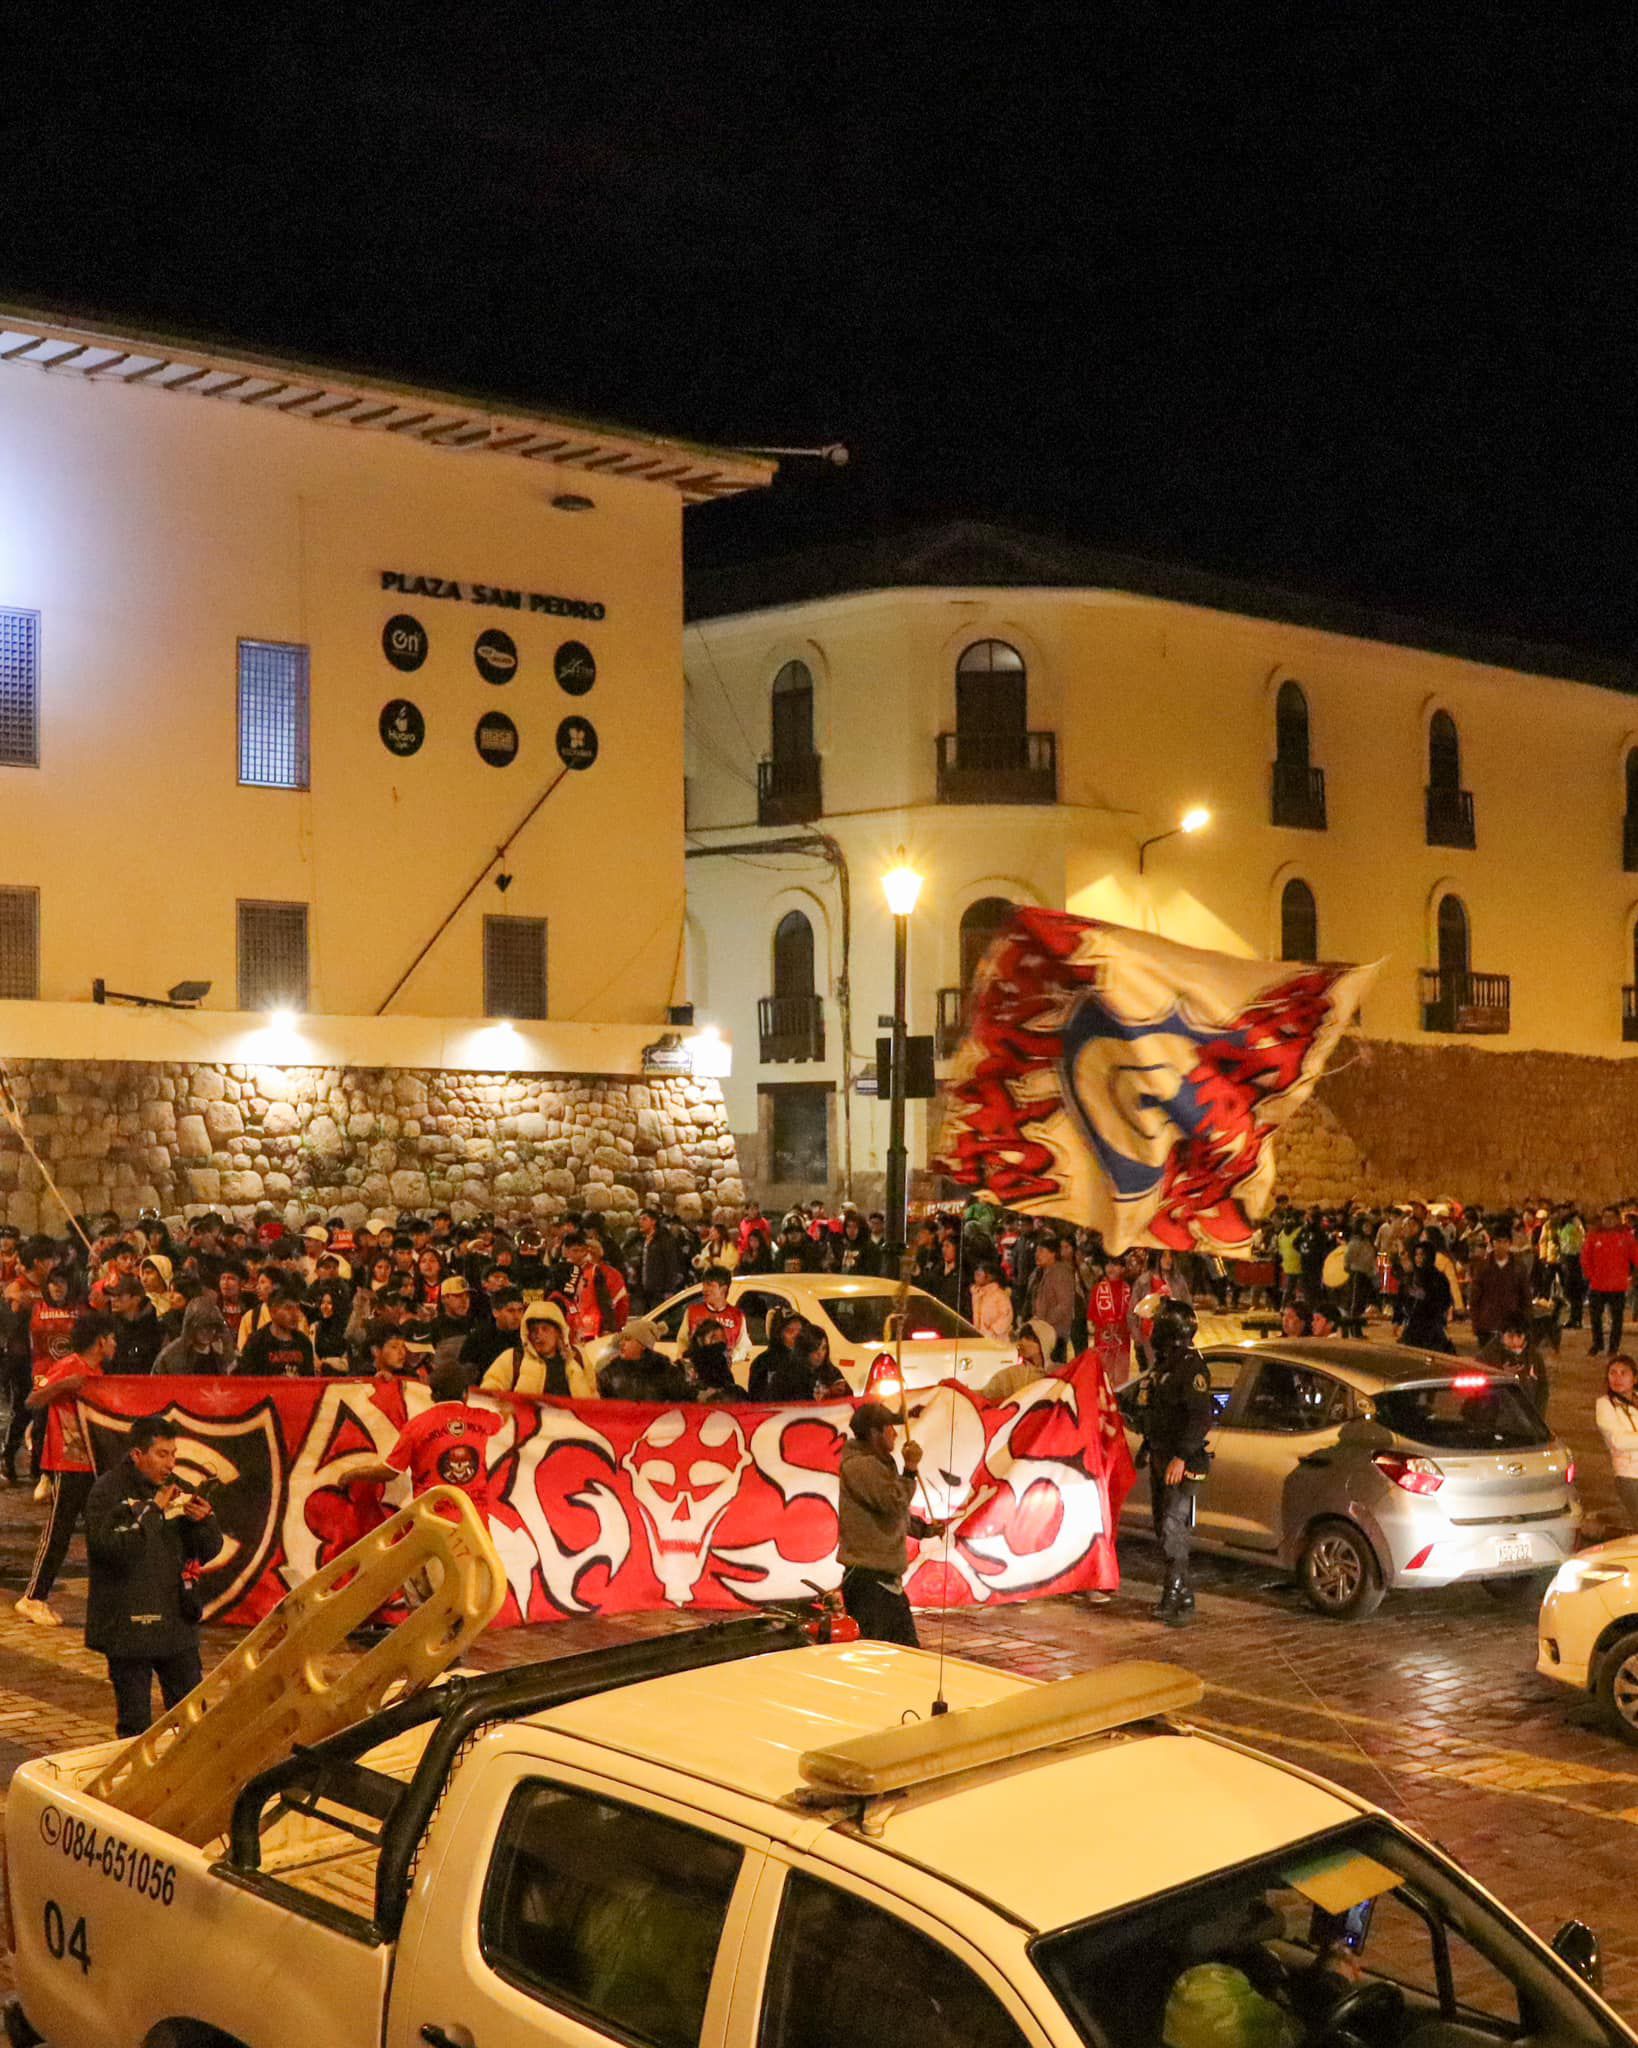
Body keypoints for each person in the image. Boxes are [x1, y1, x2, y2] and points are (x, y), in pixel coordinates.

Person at [83, 1414, 221, 1737]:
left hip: (175, 1624)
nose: (171, 1463)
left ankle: (192, 1782)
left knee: (193, 1719)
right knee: (135, 1727)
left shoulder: (179, 1490)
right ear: (136, 1455)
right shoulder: (107, 1491)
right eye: (162, 1454)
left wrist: (206, 1522)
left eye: (173, 1454)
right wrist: (152, 1511)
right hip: (128, 1628)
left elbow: (209, 1549)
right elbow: (110, 1548)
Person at [16, 1309, 118, 1626]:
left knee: (101, 1534)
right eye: (112, 1338)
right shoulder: (69, 1366)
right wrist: (64, 1386)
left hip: (93, 1465)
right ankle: (33, 1597)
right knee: (58, 1532)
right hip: (68, 1463)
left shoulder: (99, 1372)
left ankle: (108, 1602)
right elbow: (32, 1400)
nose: (115, 1344)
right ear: (101, 1341)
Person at [1131, 1298, 1211, 1628]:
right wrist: (1148, 1444)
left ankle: (1174, 1595)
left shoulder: (1192, 1368)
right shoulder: (1165, 1365)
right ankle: (1183, 1594)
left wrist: (1181, 1456)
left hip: (1181, 1461)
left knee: (1172, 1528)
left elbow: (1199, 1418)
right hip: (1161, 1455)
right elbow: (1154, 1410)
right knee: (1161, 1525)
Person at [837, 1401, 944, 1645]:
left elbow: (893, 1516)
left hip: (885, 1581)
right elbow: (893, 1502)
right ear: (875, 1433)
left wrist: (924, 1529)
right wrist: (910, 1469)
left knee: (905, 1651)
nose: (895, 1434)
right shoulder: (860, 1466)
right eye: (889, 1428)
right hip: (868, 1581)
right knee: (874, 1653)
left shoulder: (879, 1464)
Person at [483, 1301, 594, 1399]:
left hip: (573, 1422)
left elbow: (594, 1399)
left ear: (558, 1332)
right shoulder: (512, 1359)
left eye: (545, 1329)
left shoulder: (578, 1357)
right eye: (534, 1330)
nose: (538, 1335)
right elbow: (488, 1394)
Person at [1583, 1207, 1637, 1357]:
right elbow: (1586, 1257)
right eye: (1605, 1217)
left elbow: (1635, 1256)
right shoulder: (1593, 1236)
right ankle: (1597, 1343)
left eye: (1611, 1217)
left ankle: (1613, 1347)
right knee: (1595, 1317)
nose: (1608, 1220)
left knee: (1617, 1319)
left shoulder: (1626, 1237)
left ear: (1617, 1219)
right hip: (1598, 1285)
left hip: (1618, 1286)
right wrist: (1590, 1275)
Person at [596, 1319, 690, 1402]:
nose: (622, 1343)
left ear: (643, 1345)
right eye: (622, 1339)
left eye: (628, 1339)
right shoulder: (611, 1372)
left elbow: (683, 1399)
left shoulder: (664, 1370)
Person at [1476, 1314, 1549, 1416]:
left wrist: (1537, 1416)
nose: (1514, 1340)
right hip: (1495, 1418)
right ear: (1502, 1335)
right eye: (1510, 1336)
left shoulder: (1534, 1357)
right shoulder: (1488, 1355)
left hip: (1526, 1417)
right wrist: (1500, 1374)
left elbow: (1542, 1388)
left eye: (1519, 1336)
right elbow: (1479, 1391)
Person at [1596, 1355, 1638, 1530]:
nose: (1617, 1378)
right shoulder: (1605, 1404)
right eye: (1612, 1373)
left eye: (1623, 1373)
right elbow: (1618, 1440)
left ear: (1635, 1378)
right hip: (1630, 1476)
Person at [1469, 1233, 1531, 1347]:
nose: (1501, 1245)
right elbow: (1474, 1297)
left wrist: (1525, 1322)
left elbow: (1525, 1297)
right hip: (1487, 1325)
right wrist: (1476, 1322)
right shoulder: (1483, 1267)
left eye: (1505, 1242)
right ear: (1492, 1244)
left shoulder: (1518, 1268)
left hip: (1511, 1326)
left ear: (1510, 1244)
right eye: (1498, 1242)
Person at [237, 1292, 317, 1376]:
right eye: (288, 1308)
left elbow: (309, 1379)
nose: (294, 1314)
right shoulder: (257, 1342)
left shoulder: (304, 1342)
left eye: (297, 1308)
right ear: (273, 1312)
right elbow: (247, 1379)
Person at [154, 1295, 236, 1375]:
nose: (207, 1332)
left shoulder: (222, 1356)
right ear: (191, 1327)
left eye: (211, 1327)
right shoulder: (171, 1356)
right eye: (202, 1327)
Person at [1025, 1237, 1076, 1362]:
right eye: (1037, 1251)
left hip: (1055, 1332)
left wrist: (1045, 1321)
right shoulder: (1043, 1272)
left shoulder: (1060, 1273)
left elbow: (1064, 1304)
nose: (1037, 1255)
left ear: (1053, 1253)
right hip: (1045, 1330)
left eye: (1042, 1251)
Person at [1398, 1241, 1455, 1352]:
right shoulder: (1411, 1276)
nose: (1418, 1258)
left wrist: (1426, 1297)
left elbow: (1444, 1301)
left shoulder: (1438, 1278)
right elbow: (1402, 1299)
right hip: (1413, 1327)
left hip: (1431, 1328)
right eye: (1416, 1255)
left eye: (1422, 1255)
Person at [108, 1273, 168, 1373]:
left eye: (119, 1295)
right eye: (112, 1295)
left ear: (136, 1300)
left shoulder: (153, 1329)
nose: (113, 1299)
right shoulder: (109, 1326)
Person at [968, 1260, 1015, 1343]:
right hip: (980, 1339)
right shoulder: (976, 1294)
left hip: (997, 1341)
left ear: (989, 1277)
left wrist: (992, 1331)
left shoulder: (1000, 1295)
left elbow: (1006, 1317)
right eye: (975, 1274)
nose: (975, 1277)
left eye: (979, 1275)